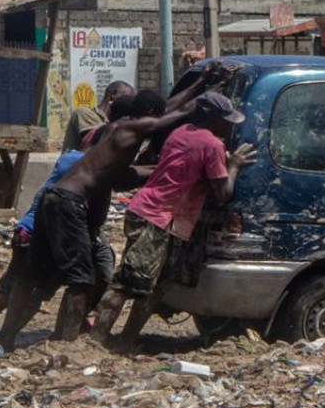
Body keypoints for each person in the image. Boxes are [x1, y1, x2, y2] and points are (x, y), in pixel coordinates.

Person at [0, 66, 221, 351]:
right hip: (69, 204)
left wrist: (200, 81)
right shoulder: (133, 128)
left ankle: (6, 338)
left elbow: (162, 116)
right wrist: (202, 95)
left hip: (52, 199)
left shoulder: (113, 130)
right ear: (148, 114)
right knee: (82, 281)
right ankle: (67, 346)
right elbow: (174, 114)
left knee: (31, 276)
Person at [0, 96, 136, 355]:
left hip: (30, 230)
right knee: (19, 292)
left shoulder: (74, 159)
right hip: (41, 233)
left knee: (14, 290)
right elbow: (98, 213)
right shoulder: (87, 166)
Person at [91, 91, 255, 350]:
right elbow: (222, 194)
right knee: (127, 283)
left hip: (152, 212)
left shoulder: (180, 133)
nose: (229, 125)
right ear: (212, 119)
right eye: (225, 119)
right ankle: (97, 343)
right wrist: (233, 165)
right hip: (159, 217)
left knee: (150, 287)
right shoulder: (211, 144)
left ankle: (123, 342)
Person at [62, 80, 136, 152]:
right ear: (113, 94)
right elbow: (101, 139)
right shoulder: (84, 113)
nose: (130, 103)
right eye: (128, 98)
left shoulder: (113, 121)